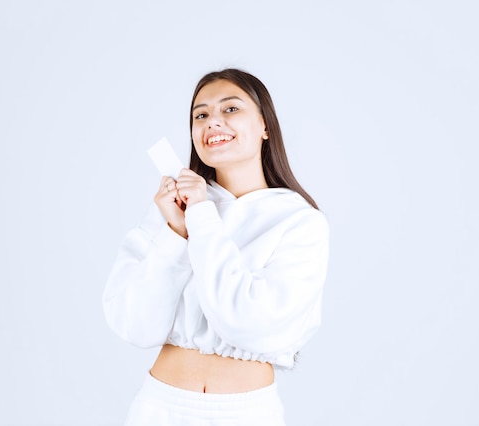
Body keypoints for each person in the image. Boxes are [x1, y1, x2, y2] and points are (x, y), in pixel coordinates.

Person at [103, 68, 329, 425]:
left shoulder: (300, 222)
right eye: (201, 115)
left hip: (244, 413)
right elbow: (135, 325)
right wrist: (176, 236)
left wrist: (202, 220)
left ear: (265, 126)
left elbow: (247, 322)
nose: (213, 122)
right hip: (159, 407)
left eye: (231, 109)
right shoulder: (171, 207)